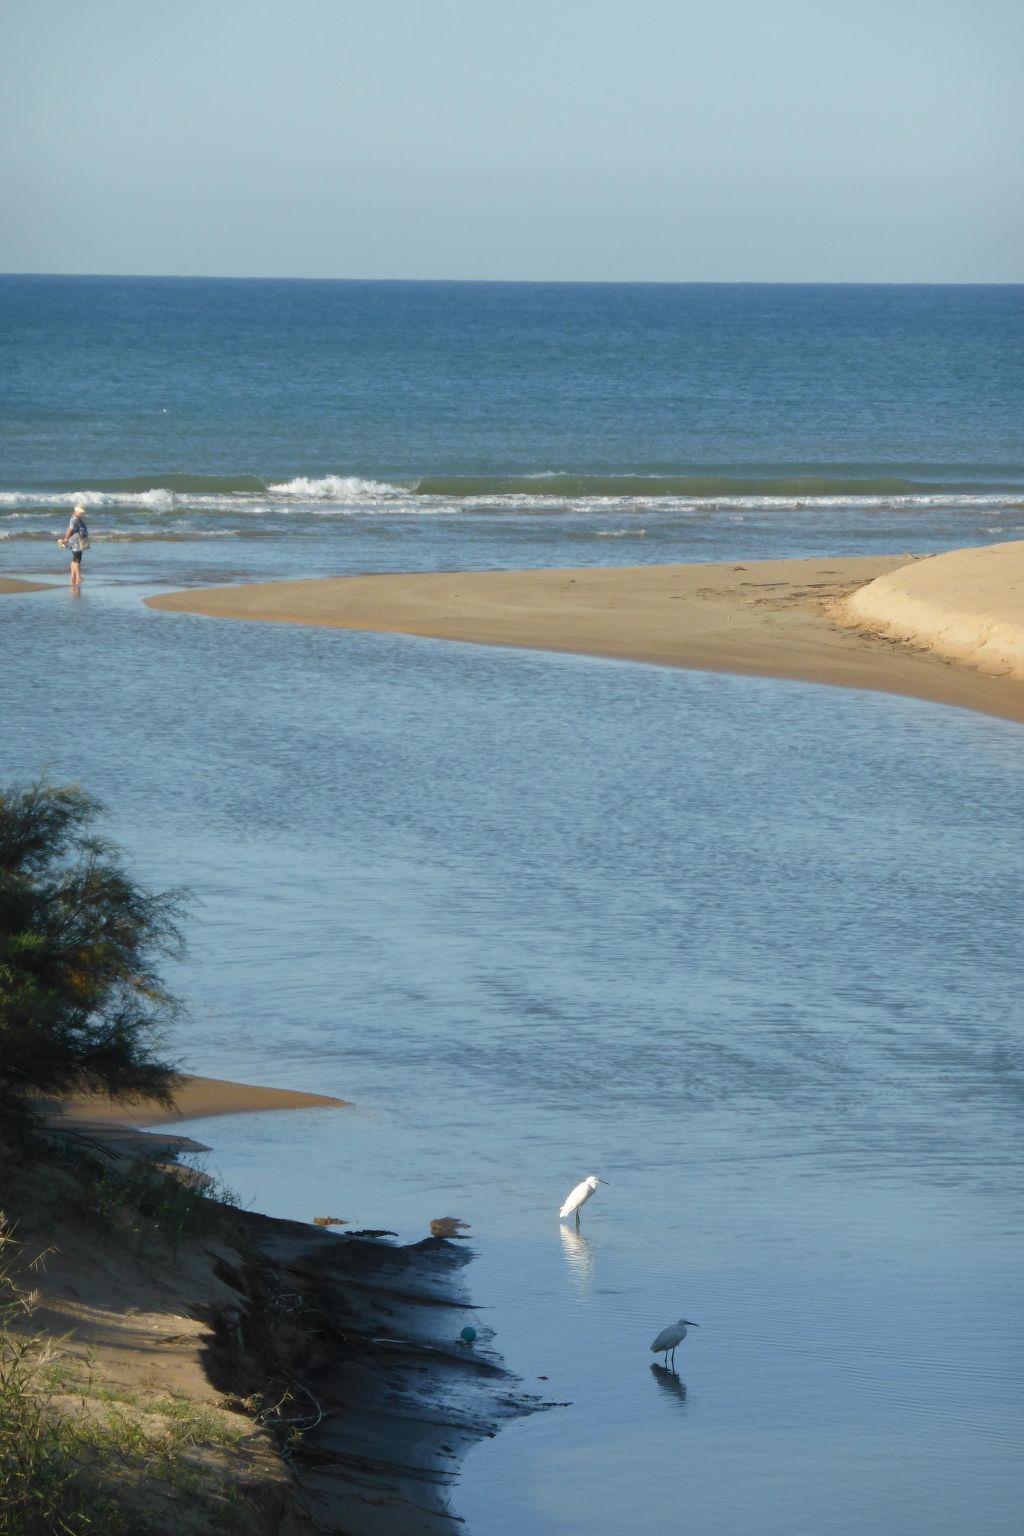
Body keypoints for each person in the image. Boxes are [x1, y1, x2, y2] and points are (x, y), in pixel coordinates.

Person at [60, 504, 90, 586]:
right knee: (77, 559)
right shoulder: (74, 519)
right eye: (80, 512)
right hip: (76, 540)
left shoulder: (77, 518)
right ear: (76, 511)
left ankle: (73, 576)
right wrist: (66, 538)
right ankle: (78, 576)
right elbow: (70, 529)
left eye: (82, 512)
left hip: (77, 540)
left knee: (75, 558)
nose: (82, 513)